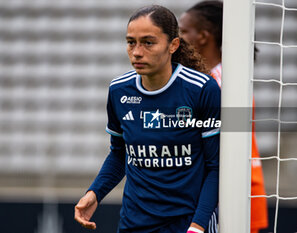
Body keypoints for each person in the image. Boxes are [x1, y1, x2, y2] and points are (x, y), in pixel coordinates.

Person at [74, 5, 220, 233]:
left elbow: (215, 167)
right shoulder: (119, 91)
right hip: (135, 223)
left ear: (173, 45)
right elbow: (120, 153)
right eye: (131, 42)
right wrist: (95, 193)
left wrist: (198, 225)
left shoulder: (202, 89)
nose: (137, 52)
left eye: (148, 42)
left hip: (187, 224)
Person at [179, 1, 269, 233]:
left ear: (203, 36)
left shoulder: (224, 85)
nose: (176, 39)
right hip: (222, 196)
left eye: (183, 31)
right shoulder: (215, 79)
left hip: (234, 197)